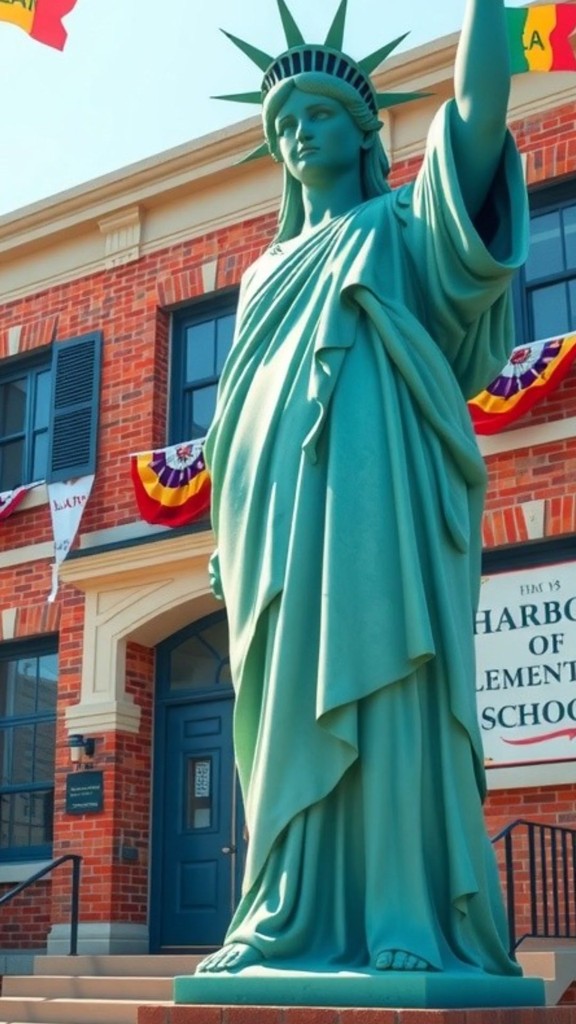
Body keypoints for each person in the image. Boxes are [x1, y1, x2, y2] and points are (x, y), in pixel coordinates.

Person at [199, 0, 528, 976]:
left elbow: (472, 125)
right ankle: (283, 914)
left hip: (374, 503)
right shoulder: (260, 275)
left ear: (364, 130)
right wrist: (225, 531)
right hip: (271, 528)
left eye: (319, 115)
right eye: (284, 124)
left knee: (385, 682)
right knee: (285, 714)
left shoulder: (398, 225)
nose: (301, 134)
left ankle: (402, 910)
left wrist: (489, 13)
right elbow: (234, 415)